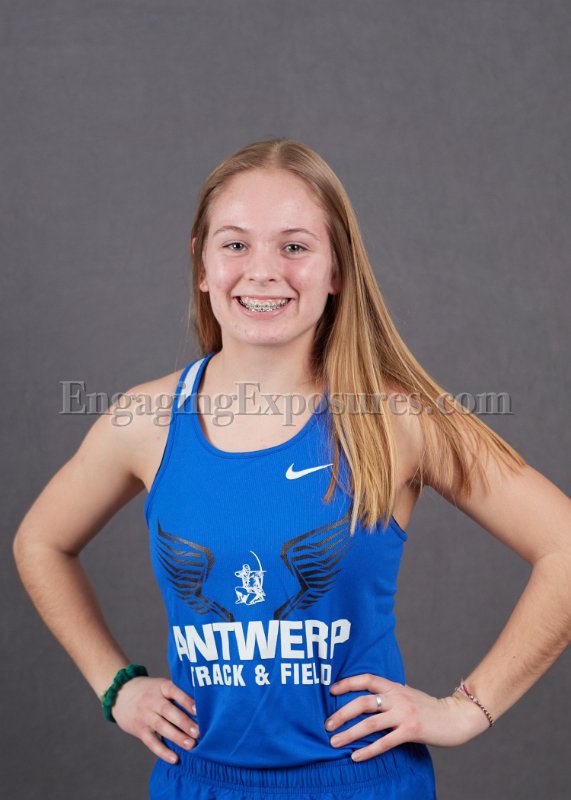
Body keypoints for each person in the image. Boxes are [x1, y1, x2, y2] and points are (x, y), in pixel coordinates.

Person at [12, 138, 571, 800]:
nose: (262, 271)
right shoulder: (146, 420)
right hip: (198, 785)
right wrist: (116, 685)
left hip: (361, 784)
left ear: (336, 270)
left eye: (295, 246)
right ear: (200, 264)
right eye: (235, 244)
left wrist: (466, 710)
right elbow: (40, 543)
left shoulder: (395, 419)